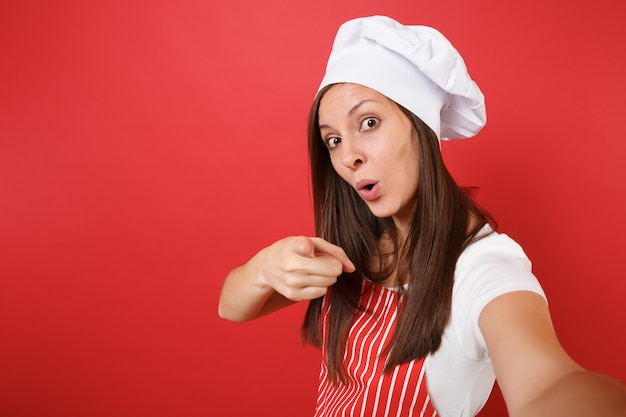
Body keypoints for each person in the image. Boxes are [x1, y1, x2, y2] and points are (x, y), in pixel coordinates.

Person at [218, 15, 626, 417]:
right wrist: (264, 267)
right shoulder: (352, 245)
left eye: (370, 122)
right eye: (334, 139)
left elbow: (547, 383)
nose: (348, 156)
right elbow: (231, 307)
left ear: (421, 128)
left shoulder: (483, 265)